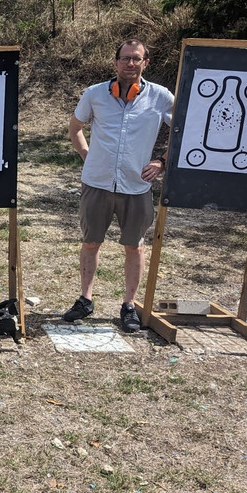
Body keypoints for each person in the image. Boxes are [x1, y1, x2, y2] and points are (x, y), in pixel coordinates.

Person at [63, 39, 174, 332]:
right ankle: (85, 300)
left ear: (145, 63)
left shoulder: (161, 97)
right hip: (97, 183)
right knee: (90, 242)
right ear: (115, 62)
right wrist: (87, 156)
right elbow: (75, 128)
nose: (130, 64)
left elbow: (184, 131)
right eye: (125, 58)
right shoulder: (94, 94)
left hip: (136, 186)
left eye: (136, 58)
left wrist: (162, 162)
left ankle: (129, 305)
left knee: (134, 246)